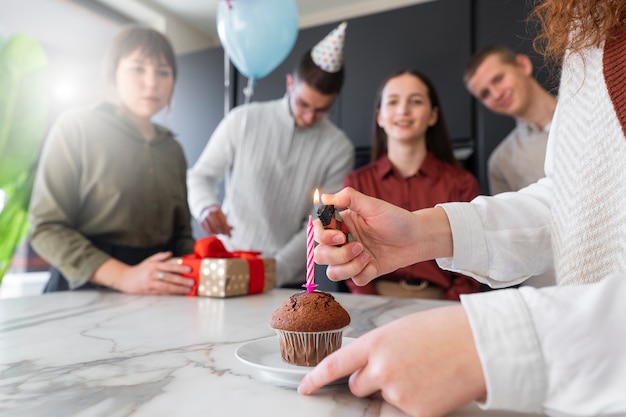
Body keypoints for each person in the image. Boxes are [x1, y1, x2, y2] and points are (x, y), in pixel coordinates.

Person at [298, 1, 626, 416]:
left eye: (415, 102)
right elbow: (574, 202)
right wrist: (423, 233)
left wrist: (488, 343)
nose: (403, 111)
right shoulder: (589, 35)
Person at [29, 25, 195, 294]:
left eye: (163, 72)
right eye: (138, 68)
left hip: (161, 292)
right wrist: (124, 276)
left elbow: (182, 237)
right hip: (85, 290)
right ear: (113, 74)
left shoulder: (172, 148)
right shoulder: (77, 127)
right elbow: (46, 227)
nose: (152, 82)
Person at [187, 23, 354, 288]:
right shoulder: (243, 119)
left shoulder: (339, 147)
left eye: (322, 110)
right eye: (303, 104)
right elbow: (200, 176)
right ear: (290, 83)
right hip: (231, 264)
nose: (309, 117)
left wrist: (274, 271)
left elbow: (321, 219)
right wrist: (205, 206)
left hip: (288, 277)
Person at [342, 69, 480, 300]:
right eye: (393, 102)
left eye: (415, 101)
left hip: (441, 305)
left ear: (433, 115)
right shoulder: (356, 185)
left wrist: (442, 312)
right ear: (380, 117)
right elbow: (349, 257)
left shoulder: (461, 183)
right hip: (373, 303)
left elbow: (473, 262)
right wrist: (372, 305)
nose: (403, 110)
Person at [464, 45, 557, 195]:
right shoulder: (501, 163)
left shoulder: (586, 107)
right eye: (485, 94)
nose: (496, 94)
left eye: (498, 79)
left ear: (523, 65)